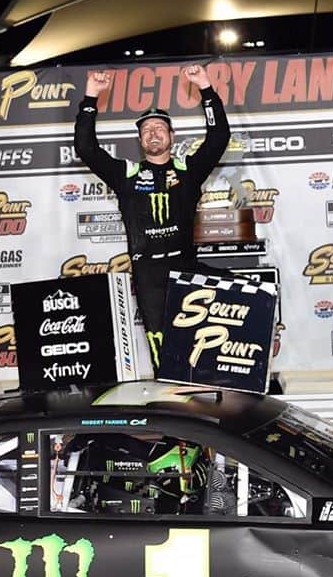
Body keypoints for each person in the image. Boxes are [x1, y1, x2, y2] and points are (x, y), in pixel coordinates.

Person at [74, 64, 230, 368]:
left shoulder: (188, 170)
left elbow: (218, 136)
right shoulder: (126, 174)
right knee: (161, 343)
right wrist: (91, 97)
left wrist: (206, 89)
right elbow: (86, 148)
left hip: (184, 264)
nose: (153, 133)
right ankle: (170, 402)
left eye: (159, 128)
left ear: (171, 135)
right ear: (141, 141)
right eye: (146, 130)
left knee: (200, 337)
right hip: (148, 274)